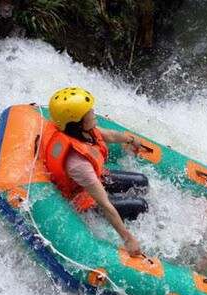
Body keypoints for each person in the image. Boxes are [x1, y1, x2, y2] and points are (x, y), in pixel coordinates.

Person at [41, 87, 148, 256]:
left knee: (142, 181)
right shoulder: (78, 163)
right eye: (89, 112)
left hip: (92, 181)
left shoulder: (81, 131)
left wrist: (132, 139)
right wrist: (128, 239)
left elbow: (110, 136)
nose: (93, 113)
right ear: (78, 122)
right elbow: (105, 204)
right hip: (84, 200)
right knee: (141, 206)